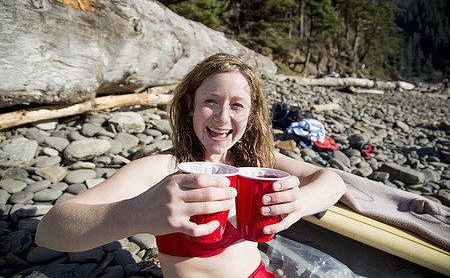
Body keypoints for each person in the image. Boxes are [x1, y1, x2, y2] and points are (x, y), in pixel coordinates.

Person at [36, 53, 346, 277]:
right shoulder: (167, 170)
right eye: (211, 100)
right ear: (190, 105)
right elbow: (49, 231)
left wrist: (299, 203)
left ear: (250, 116)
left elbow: (332, 180)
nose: (223, 118)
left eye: (237, 105)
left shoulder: (254, 165)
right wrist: (134, 214)